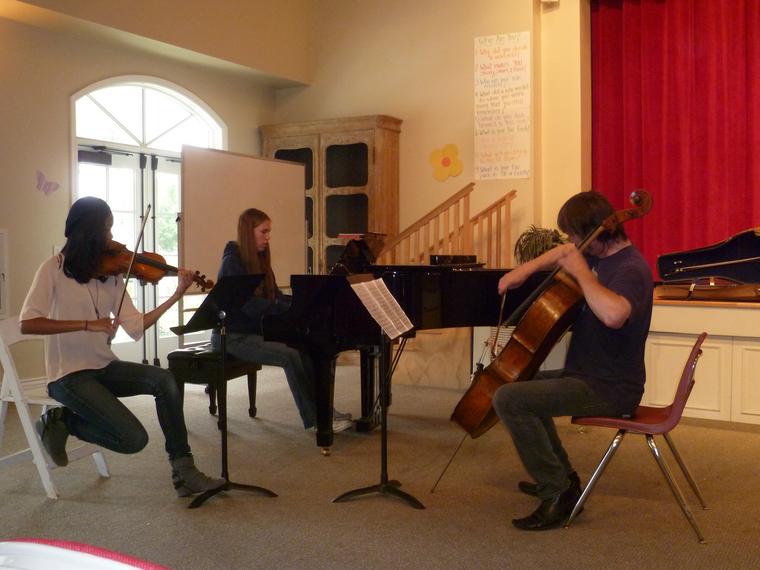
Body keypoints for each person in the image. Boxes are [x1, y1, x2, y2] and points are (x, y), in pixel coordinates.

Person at [20, 196, 225, 499]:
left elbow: (135, 326)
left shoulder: (110, 276)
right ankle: (62, 420)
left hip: (104, 367)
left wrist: (176, 296)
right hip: (67, 376)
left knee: (165, 379)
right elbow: (28, 323)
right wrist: (87, 324)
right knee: (133, 439)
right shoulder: (53, 269)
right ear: (88, 233)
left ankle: (184, 471)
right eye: (106, 229)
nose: (111, 238)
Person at [493, 191, 653, 531]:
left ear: (597, 232)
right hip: (586, 375)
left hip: (611, 387)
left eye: (575, 235)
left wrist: (583, 273)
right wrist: (523, 271)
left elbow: (614, 315)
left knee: (509, 399)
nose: (572, 243)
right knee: (521, 382)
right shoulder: (598, 254)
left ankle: (557, 493)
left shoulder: (631, 268)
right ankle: (564, 478)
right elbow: (563, 252)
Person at [212, 208, 352, 432]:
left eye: (269, 232)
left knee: (308, 347)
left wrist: (300, 303)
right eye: (263, 232)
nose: (268, 237)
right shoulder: (232, 262)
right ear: (248, 232)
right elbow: (248, 306)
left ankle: (325, 411)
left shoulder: (259, 258)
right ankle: (316, 420)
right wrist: (285, 308)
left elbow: (275, 296)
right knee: (289, 355)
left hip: (257, 330)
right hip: (233, 336)